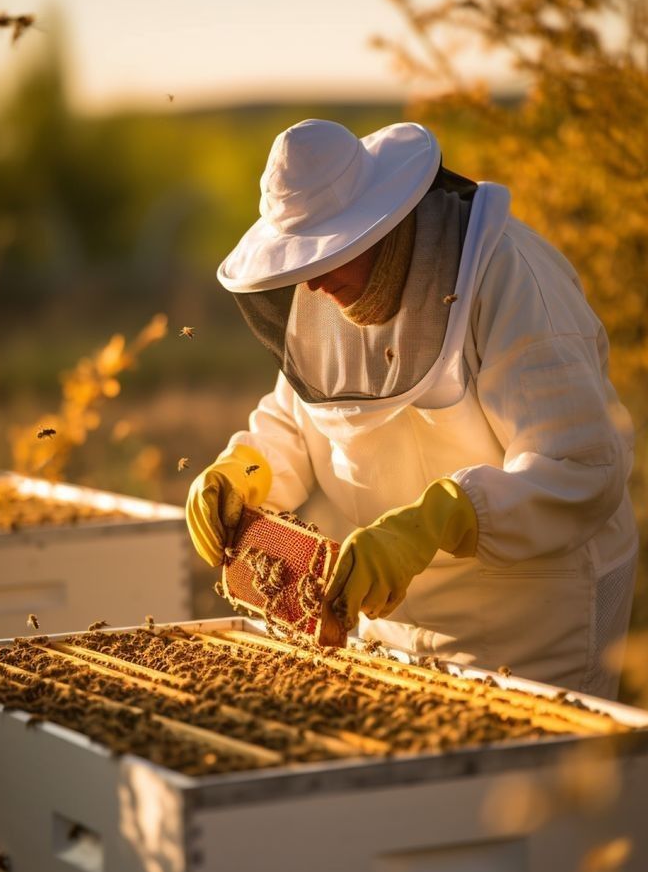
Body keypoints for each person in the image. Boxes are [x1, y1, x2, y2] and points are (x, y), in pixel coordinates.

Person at [186, 118, 637, 698]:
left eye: (331, 250)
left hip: (535, 617)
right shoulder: (325, 294)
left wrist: (440, 517)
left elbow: (581, 468)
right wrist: (244, 471)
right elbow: (296, 422)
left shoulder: (511, 278)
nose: (316, 284)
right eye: (302, 261)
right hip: (388, 616)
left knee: (526, 786)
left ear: (384, 222)